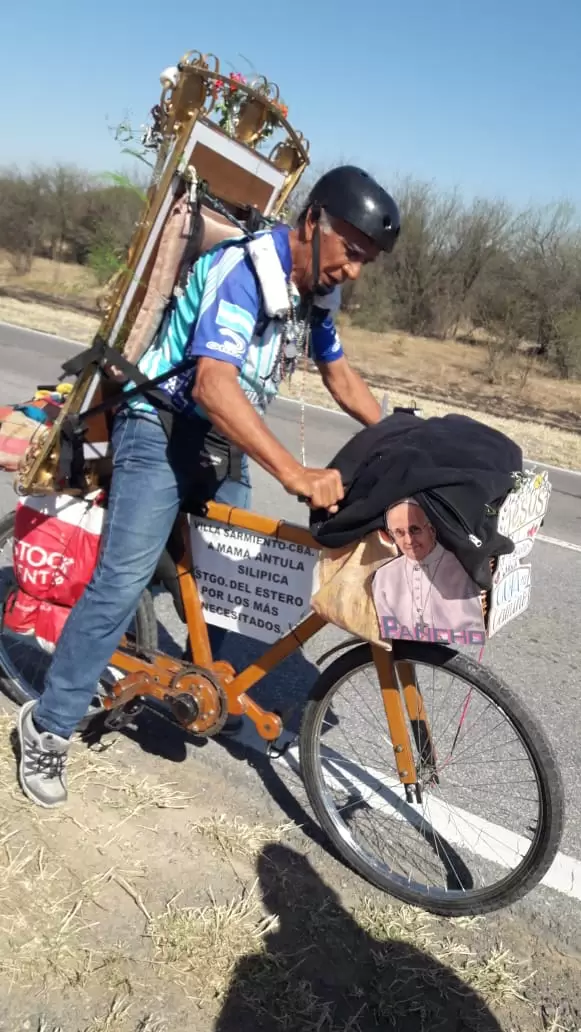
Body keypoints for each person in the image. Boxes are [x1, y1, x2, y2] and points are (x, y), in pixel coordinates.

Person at [17, 165, 401, 809]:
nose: (354, 271)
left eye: (368, 261)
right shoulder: (246, 271)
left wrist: (397, 439)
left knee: (232, 587)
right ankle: (49, 725)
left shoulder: (316, 291)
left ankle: (204, 692)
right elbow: (212, 385)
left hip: (223, 442)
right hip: (161, 428)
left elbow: (338, 373)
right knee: (120, 582)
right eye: (351, 252)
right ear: (314, 222)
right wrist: (294, 471)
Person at [372, 499, 486, 645]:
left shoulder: (461, 568)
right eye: (399, 533)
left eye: (415, 530)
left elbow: (472, 626)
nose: (408, 540)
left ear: (431, 530)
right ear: (391, 535)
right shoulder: (384, 576)